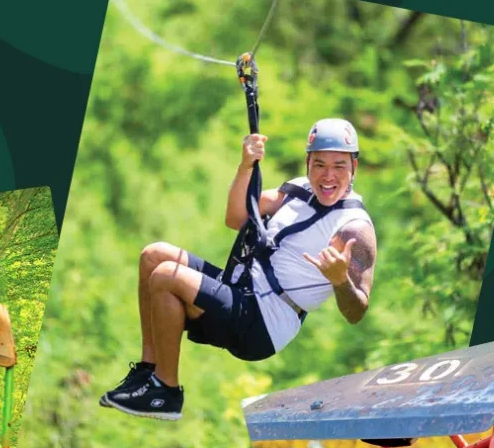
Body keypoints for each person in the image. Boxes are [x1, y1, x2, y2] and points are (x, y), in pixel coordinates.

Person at [101, 118, 378, 421]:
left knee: (167, 276)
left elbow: (357, 311)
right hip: (241, 289)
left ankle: (166, 391)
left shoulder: (354, 229)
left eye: (339, 166)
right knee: (153, 256)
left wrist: (340, 281)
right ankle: (148, 372)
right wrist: (246, 165)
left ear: (354, 168)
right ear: (307, 162)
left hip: (263, 321)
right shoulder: (297, 191)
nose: (327, 176)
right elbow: (236, 218)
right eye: (319, 165)